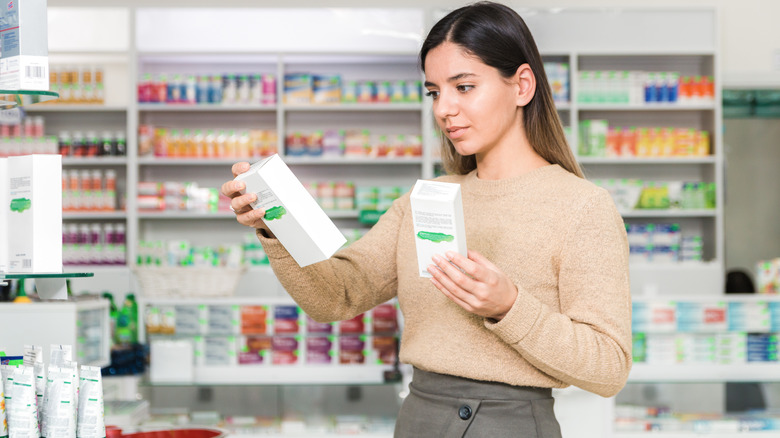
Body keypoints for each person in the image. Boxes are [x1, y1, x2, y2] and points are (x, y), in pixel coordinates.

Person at [221, 2, 631, 436]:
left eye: (464, 87)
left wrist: (510, 306)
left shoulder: (582, 207)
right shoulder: (426, 199)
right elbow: (335, 296)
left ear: (522, 85)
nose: (443, 109)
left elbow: (608, 368)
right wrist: (276, 225)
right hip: (419, 418)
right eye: (434, 92)